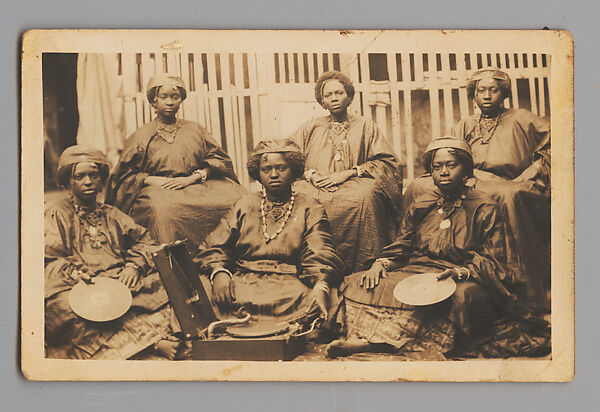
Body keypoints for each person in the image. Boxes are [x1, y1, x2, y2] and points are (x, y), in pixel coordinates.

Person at [326, 137, 550, 359]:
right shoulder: (422, 205)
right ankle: (375, 341)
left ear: (466, 171)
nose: (444, 171)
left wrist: (460, 272)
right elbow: (403, 247)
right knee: (357, 282)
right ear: (431, 173)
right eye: (437, 167)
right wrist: (380, 263)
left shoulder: (485, 208)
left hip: (464, 277)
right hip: (418, 270)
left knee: (458, 298)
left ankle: (380, 344)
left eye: (451, 165)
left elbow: (498, 260)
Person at [403, 69, 551, 310]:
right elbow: (448, 155)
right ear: (473, 95)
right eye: (481, 90)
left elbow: (559, 143)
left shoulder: (522, 118)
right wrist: (467, 174)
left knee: (506, 196)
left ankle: (518, 282)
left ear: (503, 93)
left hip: (510, 181)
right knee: (417, 185)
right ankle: (419, 257)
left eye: (493, 90)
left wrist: (533, 170)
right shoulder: (465, 124)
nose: (487, 96)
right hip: (470, 178)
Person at [45, 146, 182, 360]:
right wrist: (74, 274)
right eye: (80, 177)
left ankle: (152, 341)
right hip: (79, 284)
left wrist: (133, 266)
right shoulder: (56, 215)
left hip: (118, 280)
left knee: (166, 284)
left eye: (94, 175)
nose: (88, 182)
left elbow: (144, 242)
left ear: (101, 180)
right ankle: (151, 344)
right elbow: (49, 258)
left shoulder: (112, 214)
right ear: (68, 182)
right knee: (67, 310)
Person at [194, 139, 343, 332]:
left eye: (281, 168)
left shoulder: (310, 206)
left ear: (294, 171)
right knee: (199, 288)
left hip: (288, 286)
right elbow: (216, 245)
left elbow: (319, 249)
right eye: (266, 169)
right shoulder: (245, 204)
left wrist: (320, 284)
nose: (274, 175)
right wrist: (219, 273)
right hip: (243, 281)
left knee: (326, 295)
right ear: (258, 173)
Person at [106, 74, 247, 251]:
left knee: (238, 199)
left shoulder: (195, 129)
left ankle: (226, 253)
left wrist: (192, 178)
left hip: (198, 184)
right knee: (163, 211)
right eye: (164, 97)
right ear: (153, 102)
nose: (170, 102)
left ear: (181, 100)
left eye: (175, 97)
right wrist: (150, 179)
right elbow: (123, 175)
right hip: (160, 189)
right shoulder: (141, 136)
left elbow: (219, 160)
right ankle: (172, 262)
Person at [290, 70, 403, 273]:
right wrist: (311, 175)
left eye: (339, 93)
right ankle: (310, 264)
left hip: (354, 183)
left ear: (349, 97)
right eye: (328, 95)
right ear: (322, 101)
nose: (334, 98)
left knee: (365, 197)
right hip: (316, 184)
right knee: (302, 197)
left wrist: (349, 172)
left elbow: (387, 162)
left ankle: (366, 264)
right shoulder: (310, 127)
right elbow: (290, 157)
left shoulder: (366, 126)